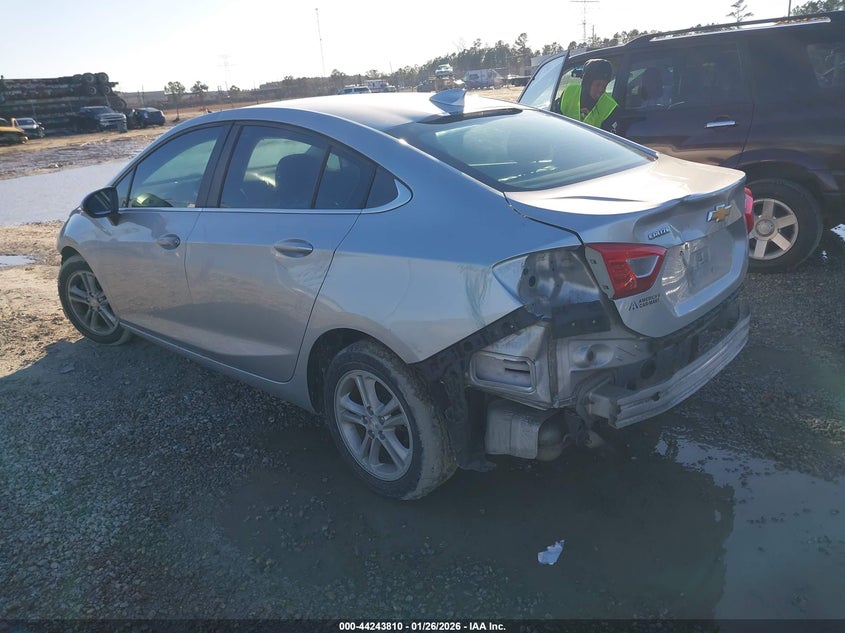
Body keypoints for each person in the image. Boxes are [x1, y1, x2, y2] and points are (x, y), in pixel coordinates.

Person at [559, 58, 618, 131]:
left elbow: (607, 137)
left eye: (604, 86)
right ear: (587, 83)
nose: (601, 90)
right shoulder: (569, 91)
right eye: (598, 85)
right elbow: (554, 119)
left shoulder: (611, 107)